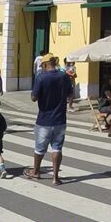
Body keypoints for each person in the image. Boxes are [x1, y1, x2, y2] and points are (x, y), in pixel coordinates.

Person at [26, 56, 73, 186]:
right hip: (60, 119)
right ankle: (55, 178)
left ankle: (36, 171)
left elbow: (34, 97)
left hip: (44, 119)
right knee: (57, 148)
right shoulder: (64, 76)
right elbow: (70, 94)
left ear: (46, 64)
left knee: (39, 149)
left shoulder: (41, 77)